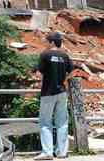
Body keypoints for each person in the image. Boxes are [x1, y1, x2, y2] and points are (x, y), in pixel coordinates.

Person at [34, 32, 73, 160]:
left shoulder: (45, 54)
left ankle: (47, 152)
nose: (45, 43)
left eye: (47, 41)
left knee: (45, 122)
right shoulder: (65, 56)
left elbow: (40, 73)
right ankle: (62, 152)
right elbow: (71, 72)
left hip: (48, 92)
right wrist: (62, 80)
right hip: (62, 92)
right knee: (62, 122)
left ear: (51, 42)